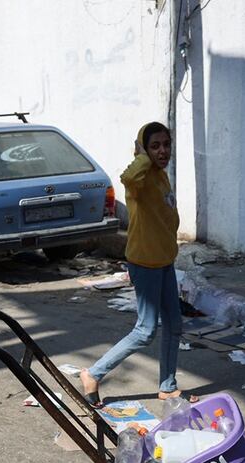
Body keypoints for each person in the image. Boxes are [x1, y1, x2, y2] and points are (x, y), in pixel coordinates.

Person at [80, 122, 196, 407]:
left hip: (164, 260)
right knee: (145, 330)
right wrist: (142, 155)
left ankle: (168, 386)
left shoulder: (160, 176)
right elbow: (127, 177)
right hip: (145, 262)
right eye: (155, 146)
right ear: (143, 149)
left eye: (166, 144)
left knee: (174, 324)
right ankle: (93, 373)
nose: (163, 151)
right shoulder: (140, 179)